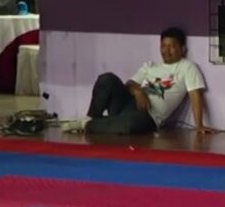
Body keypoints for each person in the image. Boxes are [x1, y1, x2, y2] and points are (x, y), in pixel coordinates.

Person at [65, 27, 210, 135]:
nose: (166, 51)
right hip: (127, 103)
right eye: (163, 46)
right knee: (107, 79)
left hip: (148, 116)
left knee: (129, 126)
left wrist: (199, 125)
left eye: (171, 46)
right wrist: (138, 92)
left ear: (183, 49)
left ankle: (87, 125)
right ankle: (92, 118)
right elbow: (129, 84)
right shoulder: (150, 66)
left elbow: (195, 95)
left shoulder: (187, 67)